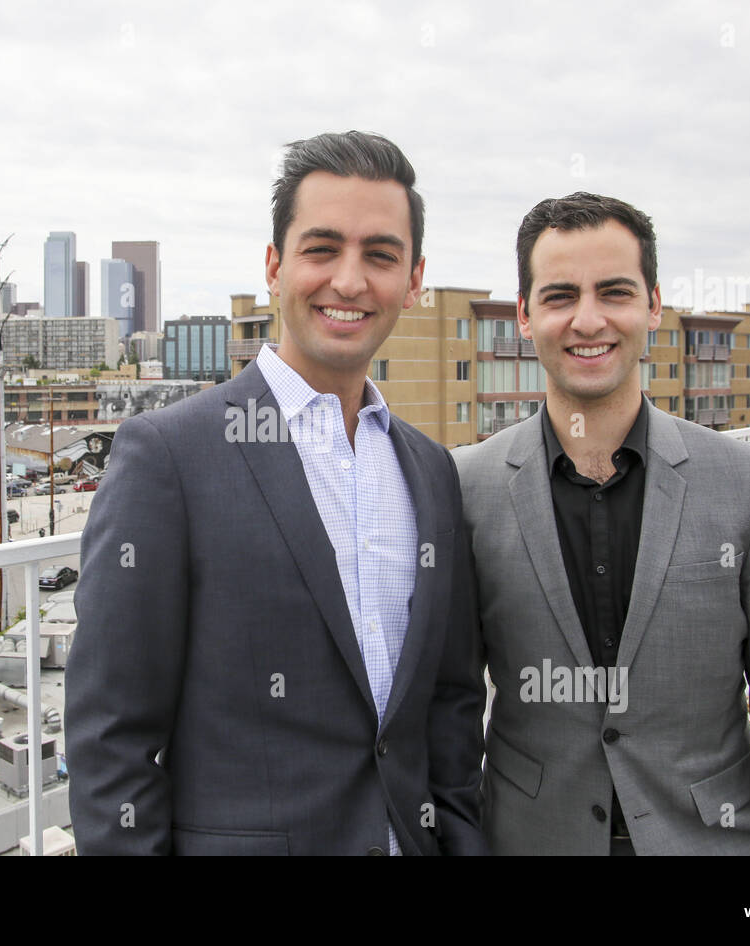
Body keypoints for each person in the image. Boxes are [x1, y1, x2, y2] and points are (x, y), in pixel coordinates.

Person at [65, 131, 487, 855]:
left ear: (414, 280)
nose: (350, 282)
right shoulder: (169, 458)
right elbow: (112, 738)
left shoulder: (430, 470)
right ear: (274, 265)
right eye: (322, 249)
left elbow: (449, 703)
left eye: (380, 255)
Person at [454, 192, 750, 855]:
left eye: (613, 292)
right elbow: (449, 706)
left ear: (653, 305)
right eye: (560, 296)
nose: (589, 320)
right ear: (525, 317)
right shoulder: (466, 490)